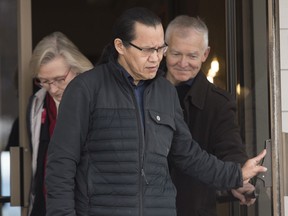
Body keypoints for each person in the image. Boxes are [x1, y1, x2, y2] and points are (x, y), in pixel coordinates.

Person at [45, 7, 266, 216]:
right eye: (147, 50)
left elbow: (188, 155)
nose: (156, 58)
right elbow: (61, 164)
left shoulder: (165, 92)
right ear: (121, 46)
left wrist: (236, 174)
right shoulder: (86, 89)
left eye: (160, 48)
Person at [164, 15, 251, 215]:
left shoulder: (218, 103)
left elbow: (230, 149)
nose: (183, 63)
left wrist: (240, 180)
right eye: (176, 54)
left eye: (192, 56)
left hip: (194, 206)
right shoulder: (145, 91)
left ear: (205, 54)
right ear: (164, 49)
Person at [27, 31, 93, 216]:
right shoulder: (37, 104)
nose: (53, 89)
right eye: (44, 81)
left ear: (77, 69)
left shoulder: (97, 99)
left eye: (59, 79)